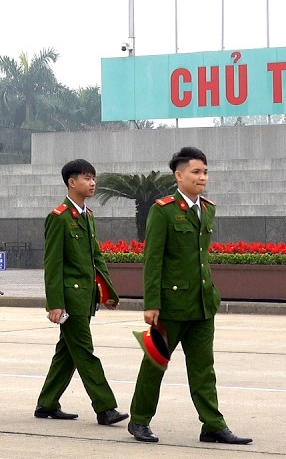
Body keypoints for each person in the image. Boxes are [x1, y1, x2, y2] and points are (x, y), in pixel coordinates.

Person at [126, 147, 251, 445]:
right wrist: (151, 303)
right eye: (196, 172)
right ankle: (139, 420)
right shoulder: (163, 210)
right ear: (178, 175)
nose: (202, 177)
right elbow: (153, 259)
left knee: (204, 369)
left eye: (205, 172)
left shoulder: (207, 208)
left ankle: (212, 424)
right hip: (170, 306)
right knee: (155, 363)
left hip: (203, 304)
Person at [35, 159, 128, 426]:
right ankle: (105, 407)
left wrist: (107, 292)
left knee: (67, 352)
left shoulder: (86, 216)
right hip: (70, 300)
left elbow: (95, 257)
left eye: (93, 178)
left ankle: (47, 403)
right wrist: (55, 304)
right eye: (86, 178)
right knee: (84, 352)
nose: (92, 183)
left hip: (86, 298)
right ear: (71, 182)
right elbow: (53, 265)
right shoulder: (58, 218)